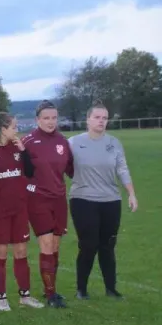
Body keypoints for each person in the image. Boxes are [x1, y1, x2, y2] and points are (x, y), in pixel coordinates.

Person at [68, 100, 137, 300]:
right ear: (87, 120)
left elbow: (122, 169)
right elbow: (58, 165)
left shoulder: (114, 143)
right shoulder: (73, 142)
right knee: (88, 244)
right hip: (83, 200)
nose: (101, 121)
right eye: (97, 117)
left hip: (111, 201)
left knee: (107, 245)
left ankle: (111, 289)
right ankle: (81, 289)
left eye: (104, 118)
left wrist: (131, 193)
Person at [0, 112, 44, 311]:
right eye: (14, 126)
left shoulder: (18, 148)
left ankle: (25, 295)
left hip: (19, 208)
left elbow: (31, 172)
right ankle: (1, 298)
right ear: (2, 128)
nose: (17, 130)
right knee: (1, 252)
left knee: (22, 251)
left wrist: (23, 151)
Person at [22, 100, 74, 308]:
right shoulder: (27, 142)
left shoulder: (63, 142)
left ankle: (49, 288)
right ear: (37, 120)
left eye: (54, 118)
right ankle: (51, 294)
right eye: (46, 118)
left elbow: (72, 170)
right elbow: (16, 169)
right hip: (37, 199)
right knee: (46, 244)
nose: (51, 122)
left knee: (55, 246)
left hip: (59, 199)